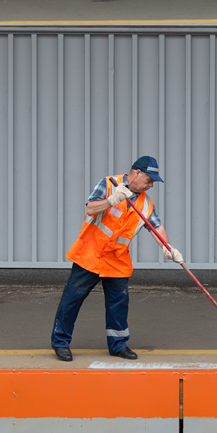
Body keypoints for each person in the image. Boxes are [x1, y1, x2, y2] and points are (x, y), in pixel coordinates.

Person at [50, 155, 183, 362]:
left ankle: (118, 344)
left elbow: (156, 227)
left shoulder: (145, 204)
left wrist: (168, 248)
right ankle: (60, 342)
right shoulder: (109, 184)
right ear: (137, 173)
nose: (150, 186)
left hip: (117, 260)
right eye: (149, 180)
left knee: (118, 304)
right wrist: (112, 200)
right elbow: (90, 208)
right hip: (90, 255)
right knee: (72, 300)